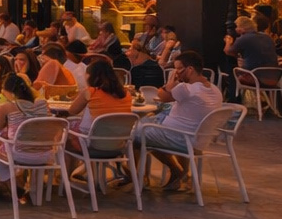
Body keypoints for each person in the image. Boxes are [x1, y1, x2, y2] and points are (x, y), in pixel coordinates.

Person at [136, 51, 223, 191]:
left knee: (136, 134)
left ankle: (171, 171)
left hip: (179, 138)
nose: (176, 73)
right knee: (149, 127)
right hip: (197, 139)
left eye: (178, 69)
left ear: (190, 69)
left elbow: (162, 96)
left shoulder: (186, 88)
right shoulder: (215, 90)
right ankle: (182, 173)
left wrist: (170, 83)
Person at [60, 58, 133, 153]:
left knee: (64, 131)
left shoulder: (90, 92)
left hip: (94, 145)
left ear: (91, 76)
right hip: (118, 145)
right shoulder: (126, 94)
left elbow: (72, 111)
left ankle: (68, 163)